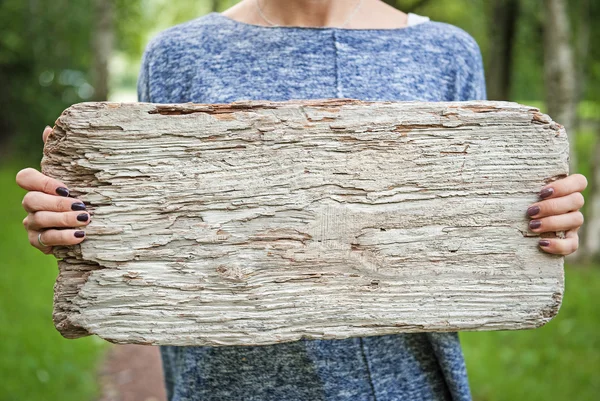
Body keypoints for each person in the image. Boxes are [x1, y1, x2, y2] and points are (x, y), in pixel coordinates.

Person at [16, 0, 588, 400]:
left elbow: (478, 226)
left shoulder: (447, 54)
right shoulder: (179, 55)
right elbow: (143, 219)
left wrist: (537, 229)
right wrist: (75, 224)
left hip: (407, 386)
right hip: (223, 387)